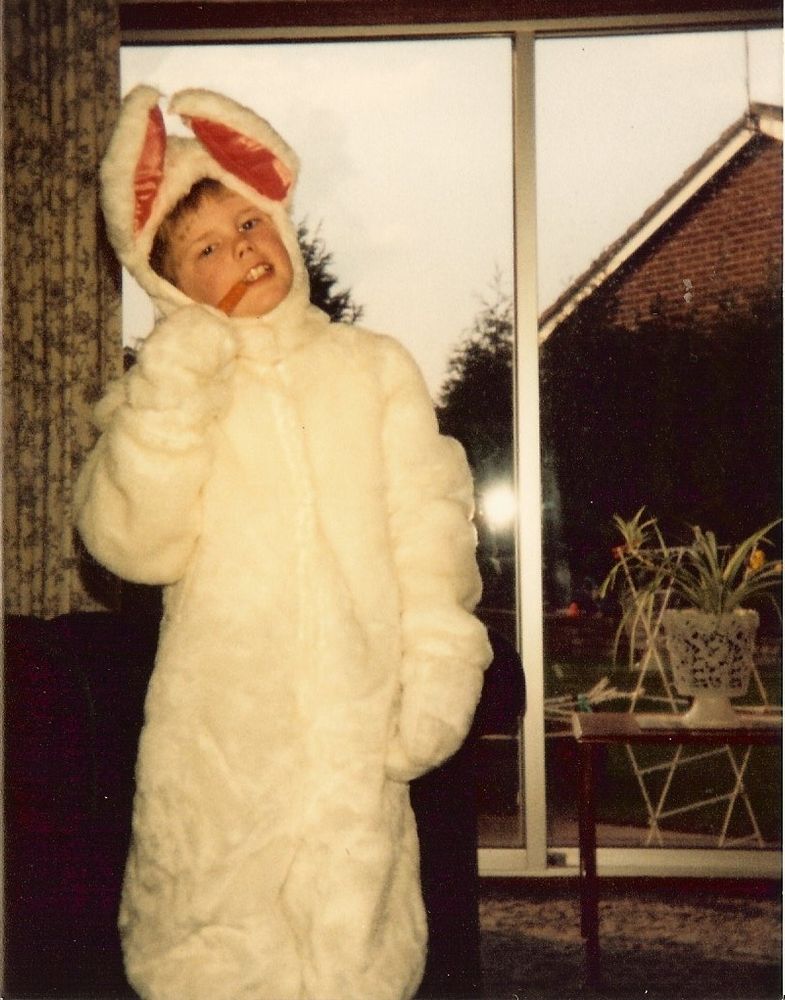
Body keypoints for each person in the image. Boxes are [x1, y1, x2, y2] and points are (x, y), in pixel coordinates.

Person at [76, 86, 491, 1000]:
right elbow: (129, 544)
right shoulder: (168, 396)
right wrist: (170, 398)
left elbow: (426, 528)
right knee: (208, 946)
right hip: (218, 738)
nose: (242, 252)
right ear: (166, 281)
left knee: (356, 945)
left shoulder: (371, 369)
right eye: (206, 249)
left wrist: (437, 666)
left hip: (354, 723)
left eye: (250, 222)